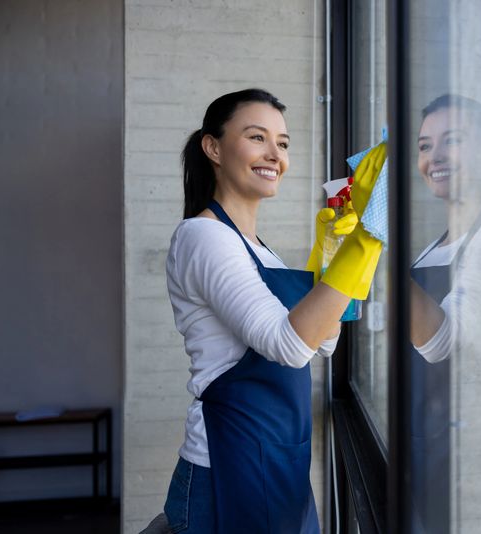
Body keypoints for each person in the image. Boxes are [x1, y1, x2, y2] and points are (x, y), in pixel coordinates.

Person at [160, 88, 384, 533]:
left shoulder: (260, 250)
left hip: (279, 460)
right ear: (213, 148)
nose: (274, 154)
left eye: (282, 143)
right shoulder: (203, 236)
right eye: (257, 137)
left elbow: (324, 341)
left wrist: (331, 256)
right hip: (226, 467)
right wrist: (367, 241)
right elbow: (290, 346)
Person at [407, 94, 481, 533]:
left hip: (462, 452)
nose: (435, 156)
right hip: (420, 439)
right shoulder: (434, 246)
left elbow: (441, 342)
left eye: (453, 140)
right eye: (425, 146)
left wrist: (376, 255)